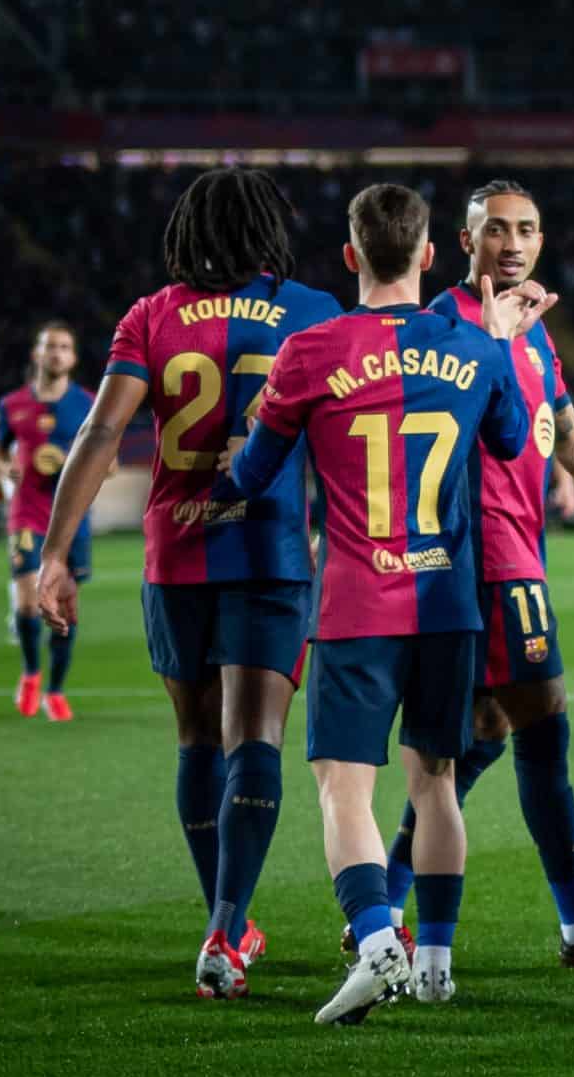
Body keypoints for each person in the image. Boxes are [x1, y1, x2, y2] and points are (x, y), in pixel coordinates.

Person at [212, 182, 550, 1025]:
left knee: (342, 787)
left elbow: (254, 477)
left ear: (352, 255)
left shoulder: (311, 349)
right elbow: (510, 441)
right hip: (448, 605)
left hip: (360, 604)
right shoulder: (471, 349)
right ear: (431, 255)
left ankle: (374, 940)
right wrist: (502, 344)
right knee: (435, 781)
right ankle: (435, 961)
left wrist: (220, 471)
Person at [364, 180, 574, 973]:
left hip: (517, 551)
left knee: (482, 735)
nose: (512, 243)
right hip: (484, 558)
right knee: (542, 726)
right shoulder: (440, 326)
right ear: (463, 241)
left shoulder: (532, 333)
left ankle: (382, 904)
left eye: (526, 229)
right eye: (496, 231)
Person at [34, 170, 343, 1000]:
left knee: (197, 741)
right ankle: (226, 926)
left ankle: (224, 918)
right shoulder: (311, 310)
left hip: (177, 551)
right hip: (270, 550)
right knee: (256, 739)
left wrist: (55, 552)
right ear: (268, 230)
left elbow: (102, 432)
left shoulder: (152, 314)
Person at [0, 323, 93, 719]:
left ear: (73, 357)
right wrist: (2, 467)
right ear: (37, 354)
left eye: (64, 347)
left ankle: (56, 691)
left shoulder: (89, 404)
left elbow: (109, 463)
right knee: (28, 602)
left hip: (71, 518)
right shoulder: (12, 404)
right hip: (26, 514)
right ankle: (30, 673)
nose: (57, 354)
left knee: (63, 608)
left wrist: (69, 465)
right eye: (50, 347)